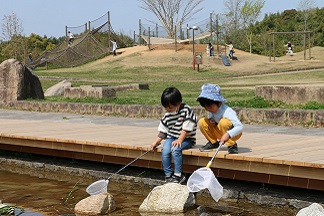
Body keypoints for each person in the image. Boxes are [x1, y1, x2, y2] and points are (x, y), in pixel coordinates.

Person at [150, 87, 197, 184]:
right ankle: (168, 175)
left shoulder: (186, 110)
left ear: (178, 103)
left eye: (170, 107)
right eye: (166, 107)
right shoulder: (167, 115)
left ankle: (178, 175)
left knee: (175, 149)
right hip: (172, 137)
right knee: (165, 150)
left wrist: (180, 140)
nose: (168, 110)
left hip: (186, 139)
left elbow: (187, 127)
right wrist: (155, 143)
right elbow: (163, 132)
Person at [197, 84, 243, 154]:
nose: (208, 110)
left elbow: (240, 127)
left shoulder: (227, 111)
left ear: (219, 102)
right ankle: (213, 142)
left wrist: (228, 134)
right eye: (206, 108)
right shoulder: (210, 111)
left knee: (223, 122)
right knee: (202, 122)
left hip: (233, 134)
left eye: (210, 107)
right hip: (220, 133)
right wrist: (213, 123)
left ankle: (231, 145)